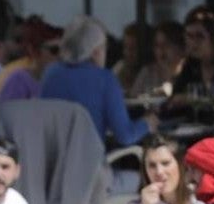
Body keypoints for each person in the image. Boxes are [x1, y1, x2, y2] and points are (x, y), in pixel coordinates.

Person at [41, 16, 155, 146]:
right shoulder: (105, 79)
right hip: (90, 162)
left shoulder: (50, 73)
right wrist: (147, 123)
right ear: (96, 52)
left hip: (52, 162)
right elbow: (125, 136)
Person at [169, 7, 214, 118]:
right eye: (189, 36)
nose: (193, 42)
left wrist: (193, 98)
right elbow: (173, 102)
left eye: (199, 36)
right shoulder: (189, 68)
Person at [0, 19, 62, 102]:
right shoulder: (19, 80)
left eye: (64, 50)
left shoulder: (61, 81)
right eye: (54, 50)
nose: (61, 55)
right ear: (33, 50)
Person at [130, 21, 185, 97]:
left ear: (180, 47)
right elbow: (133, 98)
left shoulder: (188, 73)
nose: (160, 50)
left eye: (166, 44)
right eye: (157, 45)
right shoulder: (147, 72)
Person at [111, 23, 146, 95]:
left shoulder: (150, 71)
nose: (128, 53)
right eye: (126, 47)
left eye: (133, 48)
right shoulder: (120, 68)